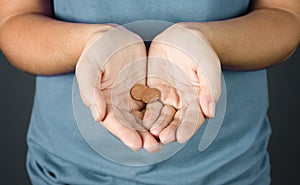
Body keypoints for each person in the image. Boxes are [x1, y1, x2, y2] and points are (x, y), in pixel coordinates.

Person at [0, 0, 299, 184]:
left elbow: (284, 14)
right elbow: (13, 20)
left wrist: (205, 39)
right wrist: (91, 41)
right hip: (69, 171)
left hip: (227, 169)